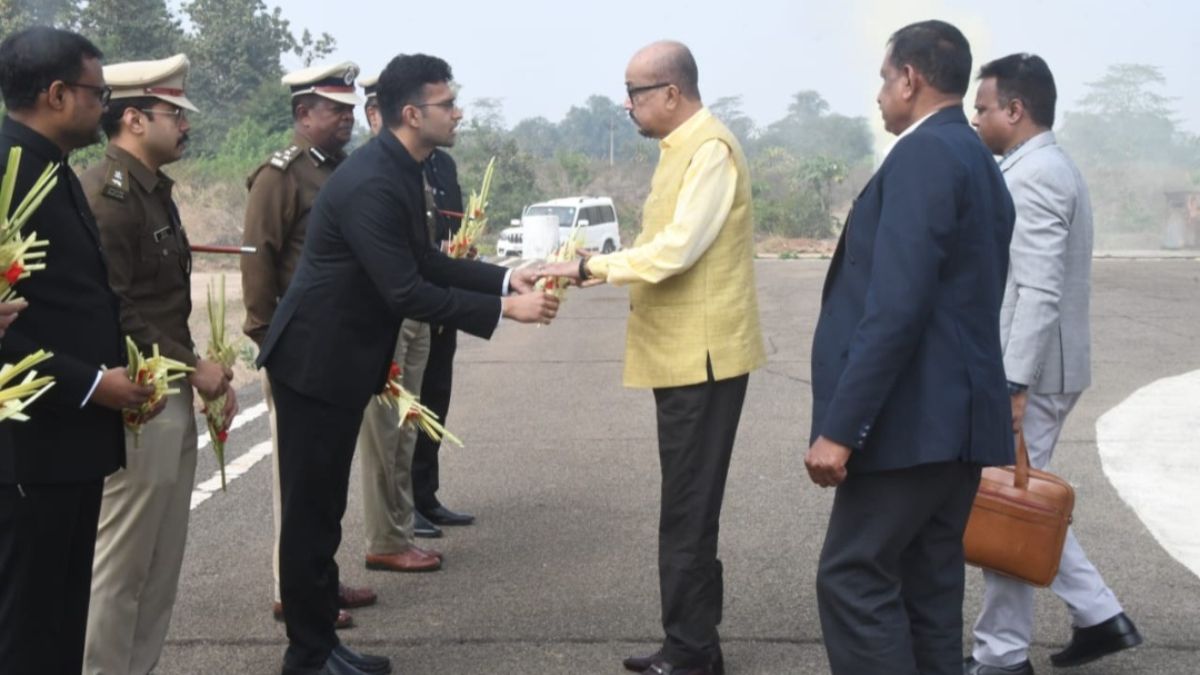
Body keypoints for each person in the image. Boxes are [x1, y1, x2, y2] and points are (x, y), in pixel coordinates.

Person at [257, 53, 557, 675]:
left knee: (323, 514)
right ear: (413, 113)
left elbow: (426, 260)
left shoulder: (398, 168)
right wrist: (507, 315)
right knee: (311, 516)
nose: (458, 113)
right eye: (448, 104)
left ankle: (321, 646)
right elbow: (404, 289)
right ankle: (308, 655)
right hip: (315, 365)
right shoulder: (372, 180)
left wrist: (506, 279)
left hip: (338, 365)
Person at [541, 40, 764, 675]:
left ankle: (692, 650)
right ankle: (692, 641)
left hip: (705, 359)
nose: (629, 105)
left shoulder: (710, 148)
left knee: (690, 508)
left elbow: (675, 250)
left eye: (637, 93)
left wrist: (588, 266)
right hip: (685, 356)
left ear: (672, 93)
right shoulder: (683, 148)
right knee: (687, 504)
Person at [803, 20, 1015, 675]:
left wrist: (842, 426)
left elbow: (896, 307)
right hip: (957, 426)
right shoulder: (978, 157)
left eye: (883, 79)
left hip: (910, 423)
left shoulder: (925, 156)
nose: (879, 95)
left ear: (911, 79)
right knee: (928, 589)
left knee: (854, 578)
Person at [966, 53, 1142, 675]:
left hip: (1033, 373)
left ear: (1015, 110)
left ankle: (1001, 657)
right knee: (1018, 500)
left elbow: (1038, 290)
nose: (976, 119)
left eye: (983, 108)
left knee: (1006, 506)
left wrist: (1014, 382)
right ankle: (1099, 616)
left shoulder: (1033, 175)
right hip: (1044, 368)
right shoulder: (1047, 165)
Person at [0, 26, 160, 674]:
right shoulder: (10, 172)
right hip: (28, 445)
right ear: (58, 93)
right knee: (24, 625)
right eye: (100, 93)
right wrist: (93, 384)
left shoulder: (50, 166)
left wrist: (125, 372)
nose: (108, 107)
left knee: (61, 621)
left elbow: (73, 297)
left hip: (66, 440)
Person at [79, 53, 238, 675]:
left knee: (159, 565)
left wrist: (194, 369)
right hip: (137, 399)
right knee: (119, 568)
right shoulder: (106, 197)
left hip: (166, 390)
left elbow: (162, 305)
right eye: (175, 113)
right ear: (135, 119)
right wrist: (192, 368)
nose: (186, 126)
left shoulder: (152, 193)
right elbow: (113, 308)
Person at [240, 61, 375, 628]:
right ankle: (290, 591)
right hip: (296, 349)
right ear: (303, 114)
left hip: (332, 350)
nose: (347, 119)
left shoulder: (337, 171)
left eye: (350, 110)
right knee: (294, 485)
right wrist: (268, 339)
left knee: (323, 483)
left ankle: (320, 579)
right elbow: (258, 261)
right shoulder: (282, 176)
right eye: (335, 110)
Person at [354, 73, 442, 573]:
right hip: (386, 315)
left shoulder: (412, 171)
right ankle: (384, 536)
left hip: (415, 315)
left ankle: (400, 529)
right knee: (383, 433)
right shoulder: (370, 175)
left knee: (408, 427)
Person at [412, 146, 475, 535]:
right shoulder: (389, 164)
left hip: (443, 293)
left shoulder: (443, 164)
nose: (455, 115)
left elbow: (451, 226)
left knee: (436, 395)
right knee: (406, 404)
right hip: (411, 297)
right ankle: (400, 502)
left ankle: (425, 493)